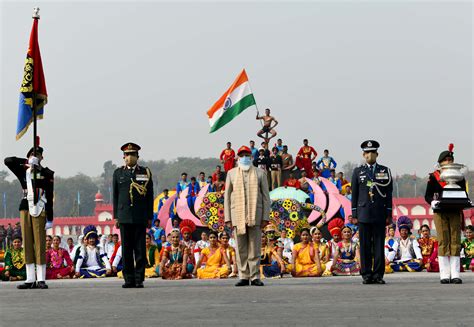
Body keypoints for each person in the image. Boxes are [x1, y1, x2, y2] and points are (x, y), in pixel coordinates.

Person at [4, 146, 54, 289]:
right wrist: (27, 162)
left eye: (37, 155)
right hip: (25, 207)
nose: (35, 157)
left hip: (40, 208)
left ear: (42, 158)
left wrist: (50, 217)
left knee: (39, 243)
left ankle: (41, 279)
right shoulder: (23, 170)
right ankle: (30, 278)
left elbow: (49, 196)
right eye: (33, 155)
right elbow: (8, 161)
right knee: (27, 242)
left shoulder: (47, 173)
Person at [224, 145, 271, 287]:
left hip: (255, 215)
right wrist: (228, 218)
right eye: (241, 155)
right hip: (237, 215)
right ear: (238, 157)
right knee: (240, 247)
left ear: (251, 157)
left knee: (254, 246)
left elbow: (266, 197)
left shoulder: (260, 173)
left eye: (246, 155)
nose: (244, 157)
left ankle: (255, 275)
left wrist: (265, 217)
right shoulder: (231, 173)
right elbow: (226, 197)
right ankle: (244, 276)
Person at [113, 142, 154, 288]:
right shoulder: (118, 173)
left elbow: (150, 196)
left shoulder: (145, 172)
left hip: (140, 216)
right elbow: (116, 196)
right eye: (127, 154)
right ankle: (128, 279)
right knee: (126, 249)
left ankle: (139, 279)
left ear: (137, 156)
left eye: (132, 154)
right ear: (123, 157)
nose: (130, 157)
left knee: (140, 249)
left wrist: (150, 216)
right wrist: (116, 216)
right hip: (124, 216)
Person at [351, 140, 393, 285]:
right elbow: (354, 194)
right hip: (363, 213)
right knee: (364, 246)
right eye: (367, 152)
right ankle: (366, 274)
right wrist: (354, 214)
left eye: (372, 152)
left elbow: (388, 193)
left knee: (379, 245)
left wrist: (389, 214)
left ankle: (378, 274)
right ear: (363, 154)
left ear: (377, 154)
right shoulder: (358, 172)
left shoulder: (384, 171)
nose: (369, 155)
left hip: (379, 212)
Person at [425, 144, 467, 284]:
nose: (449, 162)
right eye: (446, 160)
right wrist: (432, 202)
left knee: (455, 241)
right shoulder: (433, 177)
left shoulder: (459, 178)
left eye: (450, 160)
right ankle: (444, 274)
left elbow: (463, 194)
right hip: (440, 212)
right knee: (443, 241)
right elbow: (427, 195)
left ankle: (455, 274)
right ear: (441, 162)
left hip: (454, 211)